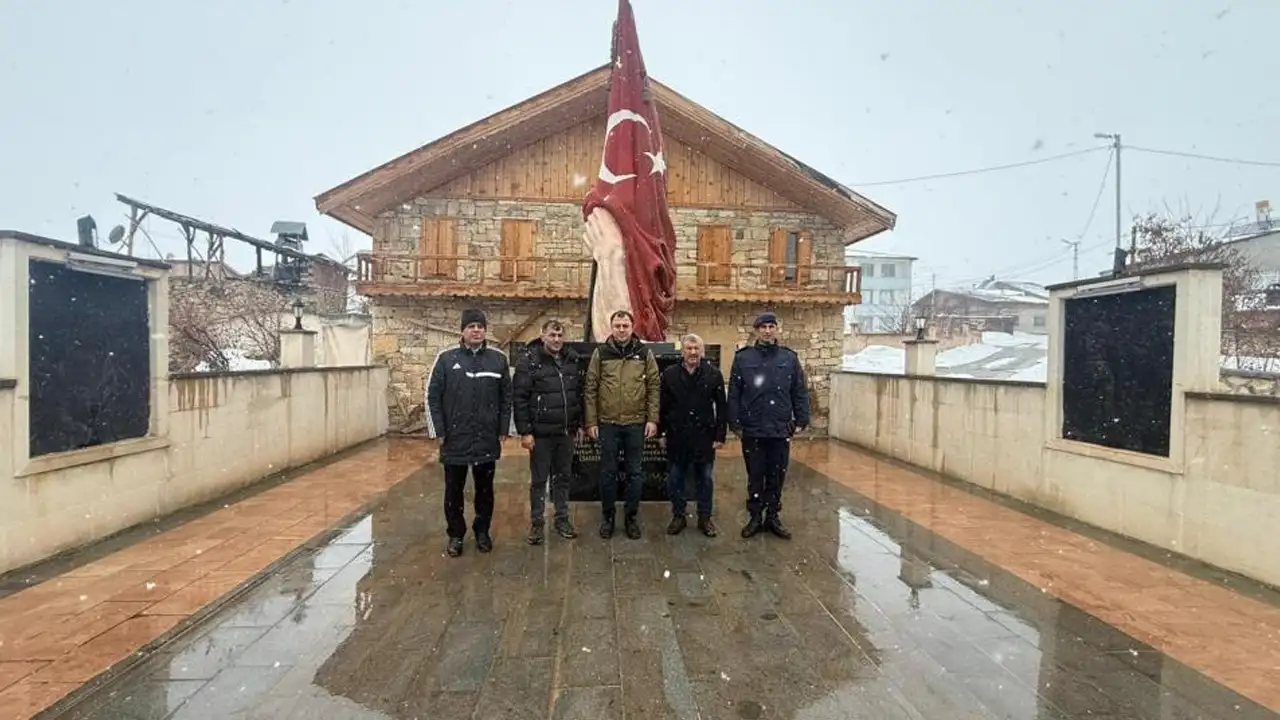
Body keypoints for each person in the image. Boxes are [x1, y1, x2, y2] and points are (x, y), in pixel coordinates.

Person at [426, 308, 513, 557]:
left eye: (480, 326)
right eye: (471, 326)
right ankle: (455, 535)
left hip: (486, 438)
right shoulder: (445, 359)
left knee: (485, 490)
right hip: (455, 438)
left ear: (485, 331)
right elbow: (432, 396)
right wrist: (438, 432)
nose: (476, 330)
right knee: (453, 491)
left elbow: (506, 397)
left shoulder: (498, 360)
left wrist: (503, 428)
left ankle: (482, 531)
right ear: (462, 330)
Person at [727, 312, 810, 540]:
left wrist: (802, 419)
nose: (767, 331)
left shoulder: (788, 358)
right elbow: (734, 393)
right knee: (755, 474)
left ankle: (773, 515)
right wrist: (734, 422)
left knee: (776, 475)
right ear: (756, 330)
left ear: (776, 330)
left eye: (771, 326)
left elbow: (799, 391)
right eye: (763, 327)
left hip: (779, 428)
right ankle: (755, 517)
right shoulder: (743, 358)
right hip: (752, 428)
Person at [583, 309, 660, 540]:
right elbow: (590, 388)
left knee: (635, 473)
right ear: (612, 327)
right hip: (608, 424)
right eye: (617, 326)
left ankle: (631, 518)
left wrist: (652, 419)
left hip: (636, 424)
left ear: (632, 327)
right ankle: (608, 517)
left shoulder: (644, 353)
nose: (621, 330)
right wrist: (591, 421)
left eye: (625, 325)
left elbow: (654, 386)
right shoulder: (601, 353)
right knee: (607, 473)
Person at [512, 319, 583, 545]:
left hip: (565, 433)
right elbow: (520, 399)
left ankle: (562, 519)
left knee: (563, 478)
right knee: (539, 481)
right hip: (541, 435)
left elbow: (577, 396)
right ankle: (537, 523)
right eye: (552, 335)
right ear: (542, 336)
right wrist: (525, 431)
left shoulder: (571, 360)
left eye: (560, 335)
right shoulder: (529, 362)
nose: (556, 340)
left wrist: (578, 424)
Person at [659, 333, 727, 537]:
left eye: (696, 349)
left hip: (704, 436)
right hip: (677, 436)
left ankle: (704, 517)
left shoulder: (713, 374)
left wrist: (720, 435)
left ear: (702, 352)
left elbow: (722, 407)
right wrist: (662, 432)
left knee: (705, 479)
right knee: (675, 478)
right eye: (689, 348)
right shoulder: (669, 374)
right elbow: (663, 406)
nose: (693, 352)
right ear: (683, 352)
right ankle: (678, 515)